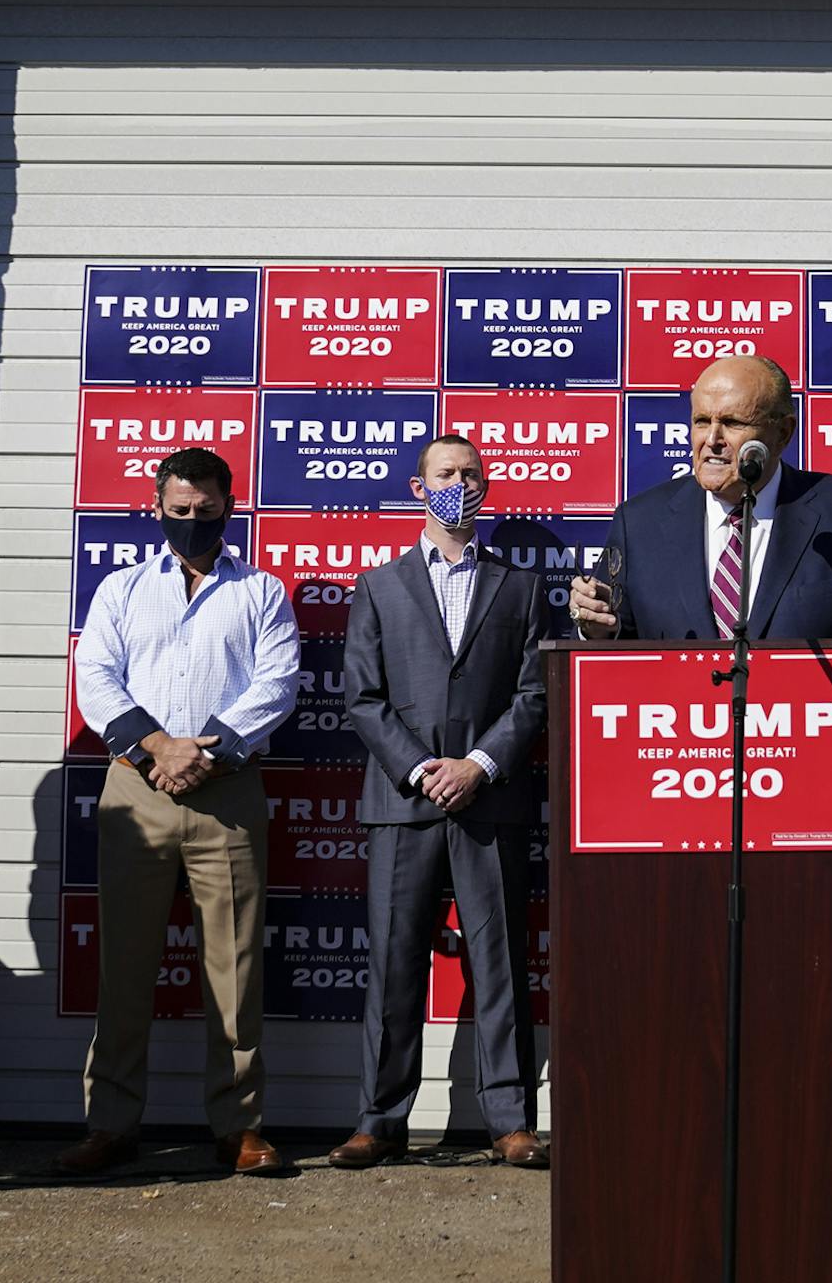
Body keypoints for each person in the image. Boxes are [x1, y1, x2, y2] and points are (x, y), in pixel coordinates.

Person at [58, 447, 300, 1177]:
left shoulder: (261, 592)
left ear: (230, 506)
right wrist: (157, 746)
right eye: (179, 509)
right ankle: (112, 1125)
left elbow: (277, 683)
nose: (191, 521)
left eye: (206, 510)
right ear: (156, 506)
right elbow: (94, 675)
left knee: (236, 968)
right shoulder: (122, 589)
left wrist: (207, 752)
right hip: (137, 788)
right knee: (124, 966)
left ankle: (239, 1127)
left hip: (227, 791)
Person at [330, 436, 550, 1171]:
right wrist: (425, 768)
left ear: (486, 488)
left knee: (501, 966)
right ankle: (379, 1120)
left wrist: (479, 766)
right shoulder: (379, 586)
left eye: (472, 474)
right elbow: (361, 695)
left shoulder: (518, 588)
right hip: (405, 803)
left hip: (490, 804)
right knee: (394, 967)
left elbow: (534, 694)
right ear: (419, 488)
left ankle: (510, 1122)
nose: (461, 484)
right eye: (446, 474)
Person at [566, 356, 832, 670]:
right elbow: (611, 643)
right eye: (702, 421)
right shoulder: (638, 523)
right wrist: (596, 631)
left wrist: (806, 696)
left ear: (783, 433)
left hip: (804, 732)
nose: (712, 439)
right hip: (676, 734)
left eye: (732, 423)